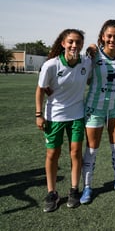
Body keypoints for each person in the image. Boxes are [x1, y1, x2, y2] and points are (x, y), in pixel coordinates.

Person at [35, 29, 92, 212]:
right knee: (52, 154)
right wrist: (38, 114)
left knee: (75, 153)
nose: (74, 45)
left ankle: (75, 189)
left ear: (82, 44)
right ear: (63, 43)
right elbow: (40, 90)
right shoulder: (51, 65)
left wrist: (93, 48)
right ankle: (52, 192)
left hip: (77, 115)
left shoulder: (86, 62)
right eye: (71, 42)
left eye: (78, 42)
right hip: (55, 117)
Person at [80, 19, 115, 204]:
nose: (112, 39)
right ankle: (87, 187)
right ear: (102, 36)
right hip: (95, 108)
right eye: (109, 36)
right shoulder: (93, 56)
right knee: (92, 149)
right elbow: (85, 79)